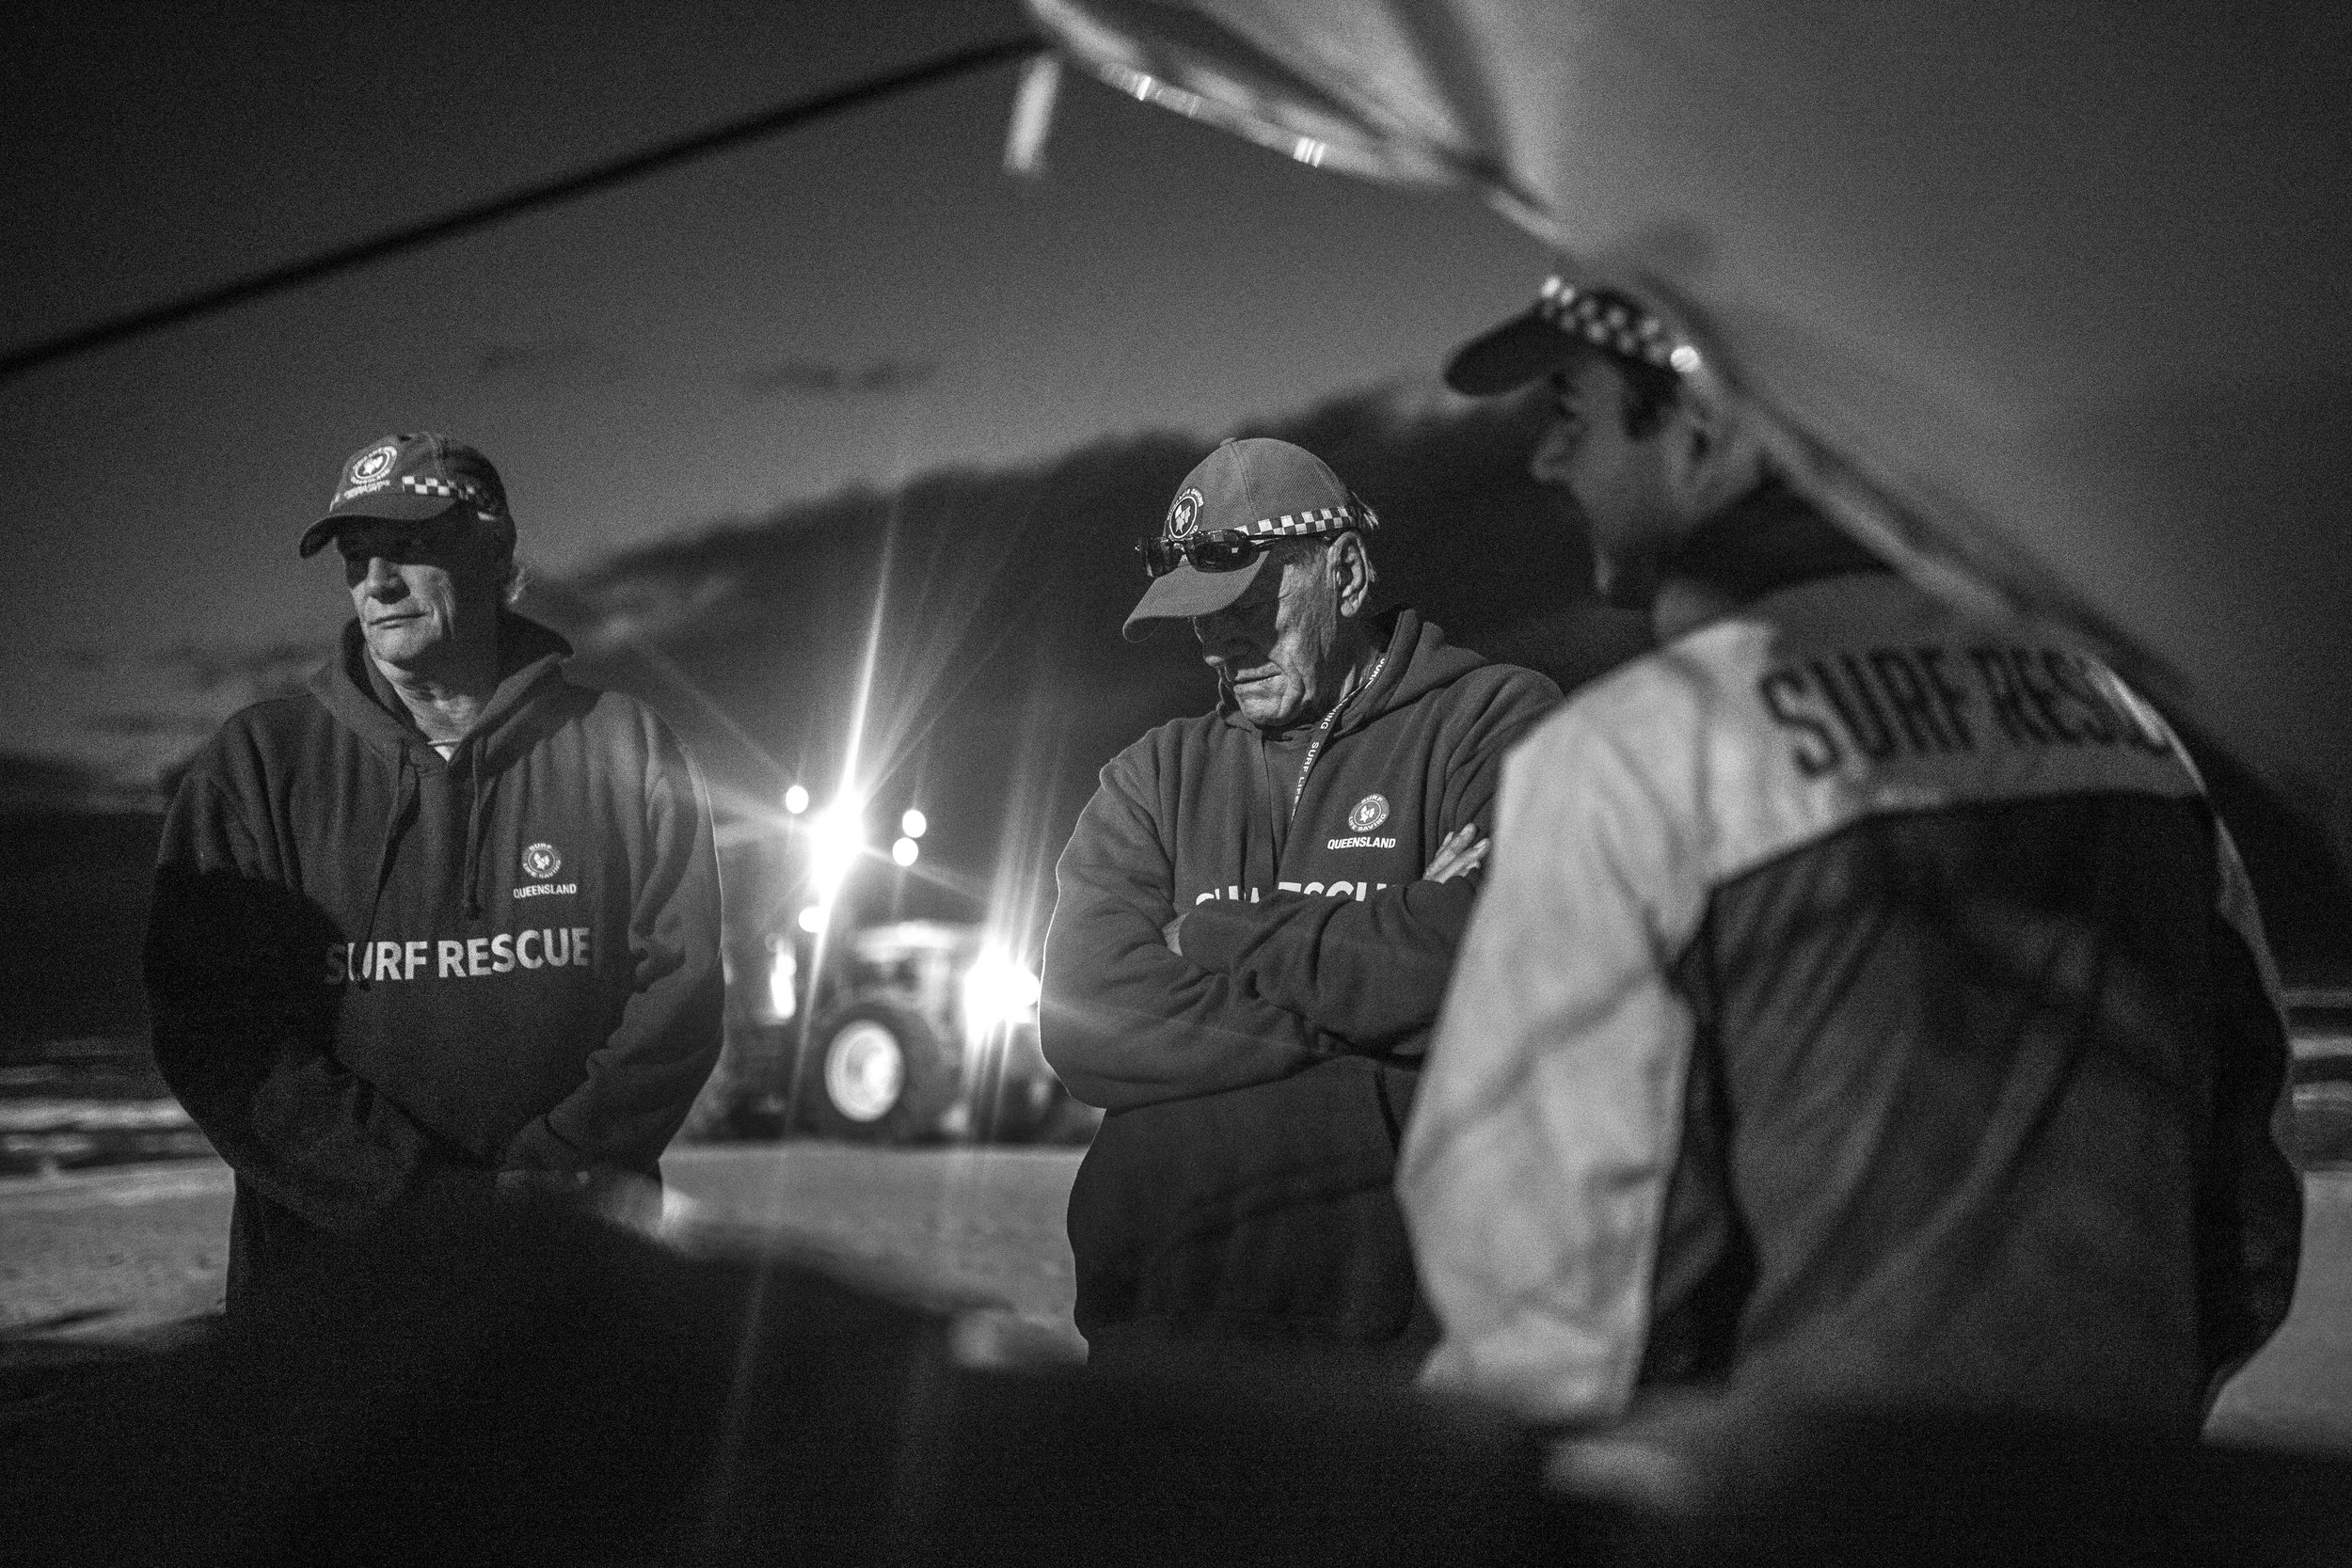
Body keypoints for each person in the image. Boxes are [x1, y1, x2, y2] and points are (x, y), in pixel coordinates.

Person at [1399, 277, 2304, 1432]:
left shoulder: (1638, 756)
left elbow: (1549, 1313)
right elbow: (2249, 1202)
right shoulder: (2131, 731)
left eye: (1569, 412)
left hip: (1792, 1514)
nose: (1548, 463)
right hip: (2118, 1503)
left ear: (1705, 424)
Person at [144, 432, 724, 1313]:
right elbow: (218, 1034)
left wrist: (543, 1187)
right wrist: (416, 1200)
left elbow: (677, 1002)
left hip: (575, 1286)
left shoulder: (624, 747)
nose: (374, 582)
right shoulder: (260, 766)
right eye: (355, 557)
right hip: (331, 1306)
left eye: (408, 548)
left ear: (495, 550)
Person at [1041, 436, 1560, 1370]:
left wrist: (1208, 933)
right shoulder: (1152, 777)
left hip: (1416, 1344)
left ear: (1347, 573)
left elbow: (1484, 963)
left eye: (1246, 604)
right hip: (1165, 1324)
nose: (1217, 639)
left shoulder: (1491, 722)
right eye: (1194, 616)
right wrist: (1380, 1021)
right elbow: (1087, 1015)